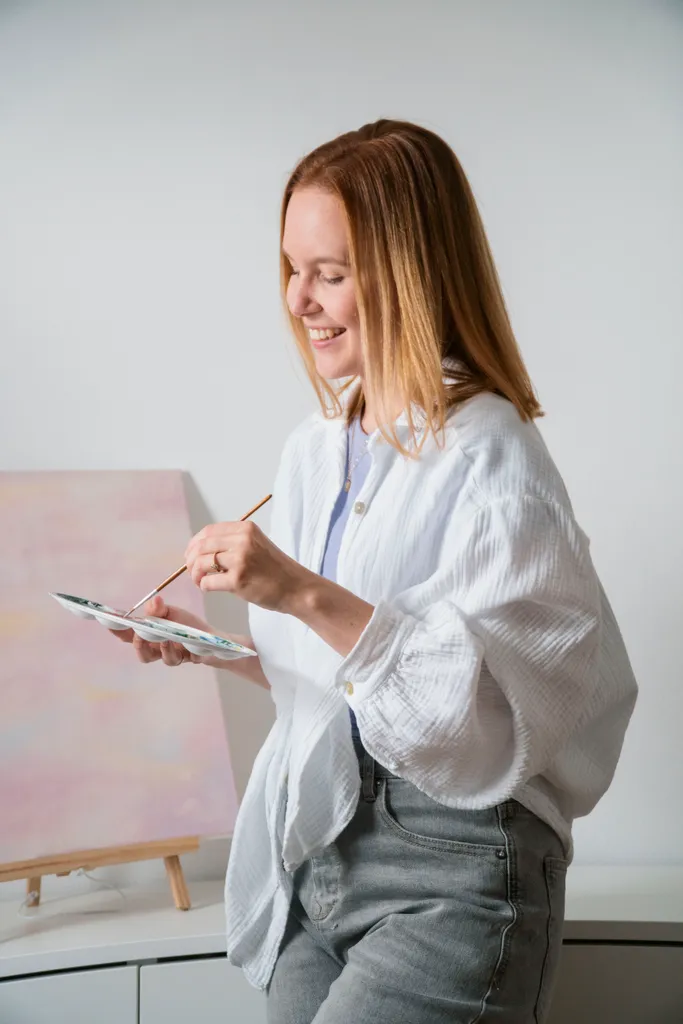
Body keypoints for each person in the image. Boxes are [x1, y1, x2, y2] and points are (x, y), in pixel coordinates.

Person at [113, 119, 637, 1023]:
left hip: (451, 861)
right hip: (315, 852)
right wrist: (215, 647)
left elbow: (496, 718)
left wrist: (297, 590)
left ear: (409, 273)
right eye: (291, 268)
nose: (298, 300)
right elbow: (354, 684)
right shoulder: (314, 449)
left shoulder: (491, 454)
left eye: (330, 272)